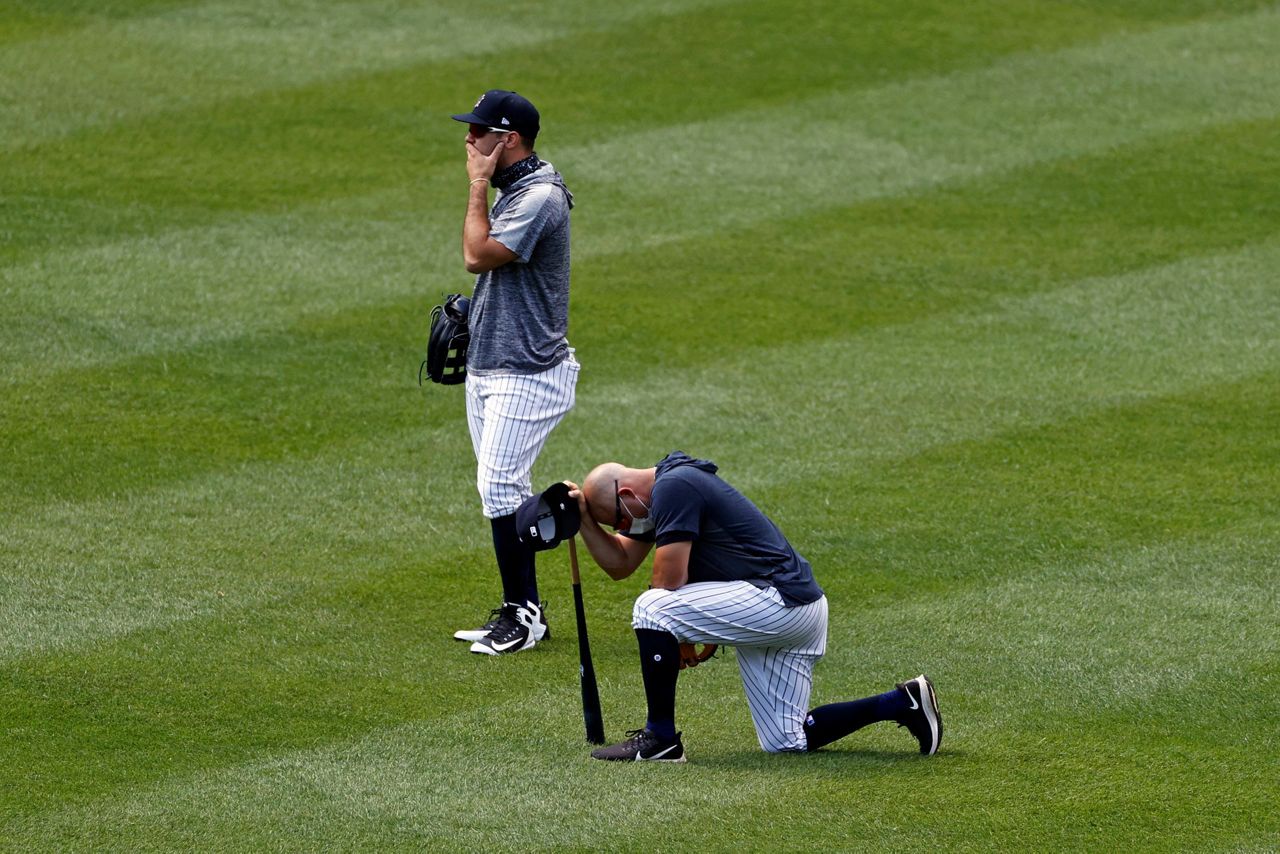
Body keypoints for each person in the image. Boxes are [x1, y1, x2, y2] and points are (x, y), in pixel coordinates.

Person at [566, 451, 943, 761]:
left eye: (617, 519)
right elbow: (619, 564)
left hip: (778, 600)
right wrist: (584, 520)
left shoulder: (674, 488)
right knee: (785, 740)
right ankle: (902, 702)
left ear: (628, 496)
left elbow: (668, 582)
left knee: (651, 606)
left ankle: (660, 738)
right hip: (797, 610)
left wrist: (681, 633)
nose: (624, 528)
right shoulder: (663, 492)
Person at [447, 89, 579, 656]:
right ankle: (522, 610)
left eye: (480, 132)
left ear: (509, 140)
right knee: (502, 490)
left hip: (528, 371)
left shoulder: (542, 197)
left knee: (498, 485)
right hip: (491, 365)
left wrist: (476, 183)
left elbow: (478, 255)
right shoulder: (518, 189)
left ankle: (523, 617)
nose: (469, 140)